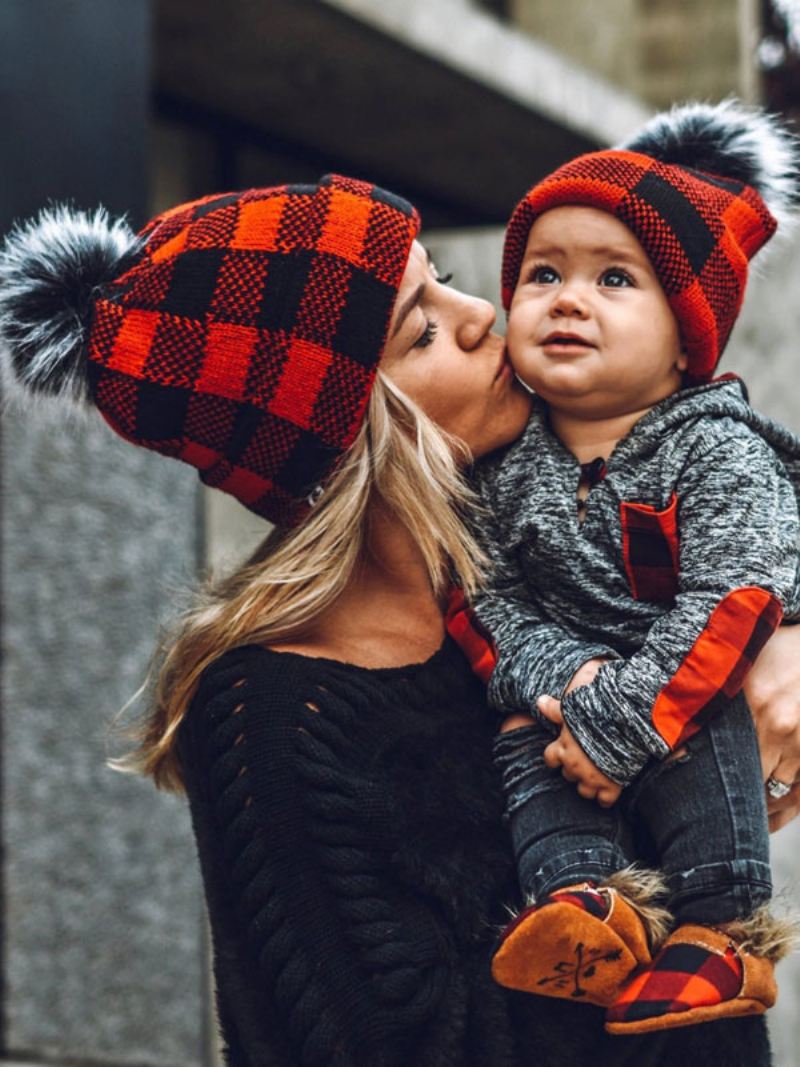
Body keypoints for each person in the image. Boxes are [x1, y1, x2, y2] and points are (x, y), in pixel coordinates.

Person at [1, 172, 800, 1066]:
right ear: (344, 434)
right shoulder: (273, 713)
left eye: (447, 277)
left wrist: (783, 644)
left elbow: (744, 530)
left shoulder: (557, 574)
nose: (478, 317)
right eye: (422, 329)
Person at [469, 101, 800, 1034]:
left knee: (709, 733)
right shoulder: (502, 463)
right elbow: (483, 593)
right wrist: (557, 681)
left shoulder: (714, 448)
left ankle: (722, 930)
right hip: (566, 702)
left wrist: (622, 715)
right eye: (542, 274)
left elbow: (736, 597)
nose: (567, 299)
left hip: (687, 687)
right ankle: (586, 904)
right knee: (522, 746)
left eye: (615, 278)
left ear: (687, 333)